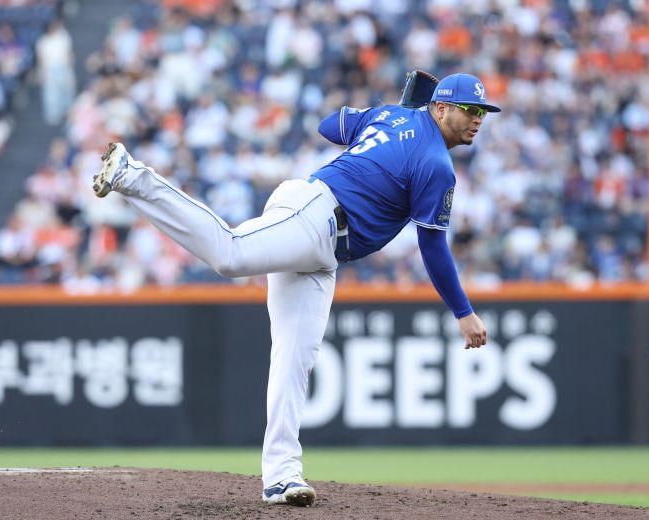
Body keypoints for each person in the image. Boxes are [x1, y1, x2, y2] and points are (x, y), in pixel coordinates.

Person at [92, 73, 497, 506]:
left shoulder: (392, 117)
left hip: (324, 253)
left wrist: (386, 118)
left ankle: (281, 476)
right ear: (440, 108)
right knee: (231, 255)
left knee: (294, 360)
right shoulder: (436, 163)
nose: (477, 119)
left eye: (482, 112)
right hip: (314, 214)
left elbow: (329, 126)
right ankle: (135, 176)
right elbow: (432, 247)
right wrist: (463, 312)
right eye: (469, 109)